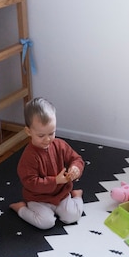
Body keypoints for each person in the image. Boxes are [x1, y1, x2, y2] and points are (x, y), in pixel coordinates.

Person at [10, 97, 85, 229]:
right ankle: (21, 209)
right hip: (37, 198)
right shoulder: (29, 156)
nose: (47, 139)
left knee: (72, 216)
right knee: (46, 223)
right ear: (28, 131)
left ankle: (77, 196)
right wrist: (55, 180)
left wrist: (75, 169)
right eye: (41, 135)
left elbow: (76, 159)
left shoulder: (60, 145)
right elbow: (30, 182)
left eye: (51, 133)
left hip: (61, 193)